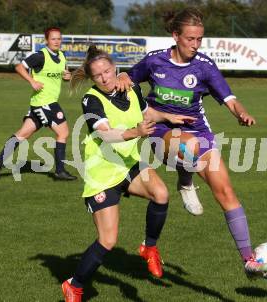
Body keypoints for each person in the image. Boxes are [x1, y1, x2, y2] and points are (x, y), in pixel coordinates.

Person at [118, 7, 267, 277]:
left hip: (198, 132)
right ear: (176, 36)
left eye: (199, 39)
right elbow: (129, 77)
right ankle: (186, 181)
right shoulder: (155, 61)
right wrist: (123, 77)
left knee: (226, 192)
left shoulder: (204, 66)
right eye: (190, 39)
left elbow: (229, 99)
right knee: (187, 147)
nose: (195, 44)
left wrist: (242, 113)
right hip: (158, 129)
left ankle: (248, 260)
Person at [61, 46, 196, 301]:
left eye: (107, 71)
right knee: (108, 241)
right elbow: (105, 133)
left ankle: (149, 247)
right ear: (92, 78)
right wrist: (136, 132)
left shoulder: (131, 88)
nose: (104, 77)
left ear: (115, 68)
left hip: (128, 163)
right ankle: (74, 285)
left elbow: (148, 114)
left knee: (161, 194)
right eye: (98, 75)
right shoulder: (91, 100)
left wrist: (169, 117)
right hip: (102, 172)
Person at [0, 27, 77, 180]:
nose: (57, 41)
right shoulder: (40, 56)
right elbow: (19, 67)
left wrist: (67, 76)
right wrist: (32, 81)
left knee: (23, 134)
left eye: (59, 38)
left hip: (44, 102)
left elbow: (64, 74)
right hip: (44, 102)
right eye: (53, 38)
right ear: (46, 41)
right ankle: (60, 171)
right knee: (63, 133)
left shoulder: (62, 56)